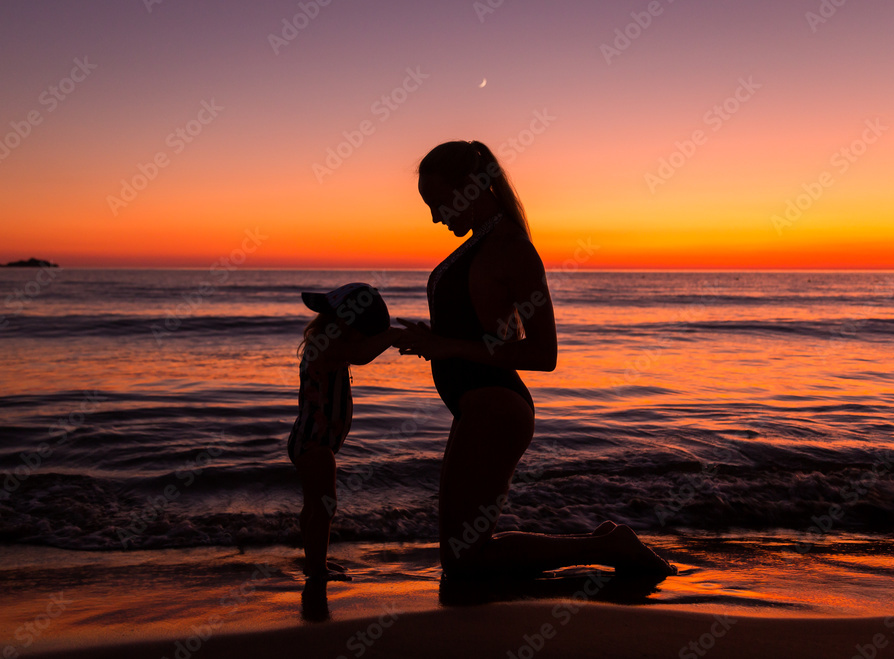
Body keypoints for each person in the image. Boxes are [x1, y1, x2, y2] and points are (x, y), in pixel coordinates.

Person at [396, 140, 677, 579]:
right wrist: (428, 339)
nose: (435, 216)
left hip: (497, 409)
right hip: (474, 408)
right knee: (463, 554)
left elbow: (544, 354)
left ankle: (608, 546)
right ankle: (607, 544)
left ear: (472, 187)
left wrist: (448, 347)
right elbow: (474, 333)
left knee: (464, 559)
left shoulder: (512, 249)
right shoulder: (478, 244)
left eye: (439, 202)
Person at [289, 283, 400, 581]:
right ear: (346, 324)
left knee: (315, 505)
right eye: (363, 332)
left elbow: (358, 351)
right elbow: (362, 355)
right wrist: (394, 336)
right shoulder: (327, 345)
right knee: (325, 505)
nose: (364, 339)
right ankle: (316, 566)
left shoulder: (331, 344)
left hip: (311, 440)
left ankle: (315, 561)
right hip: (314, 442)